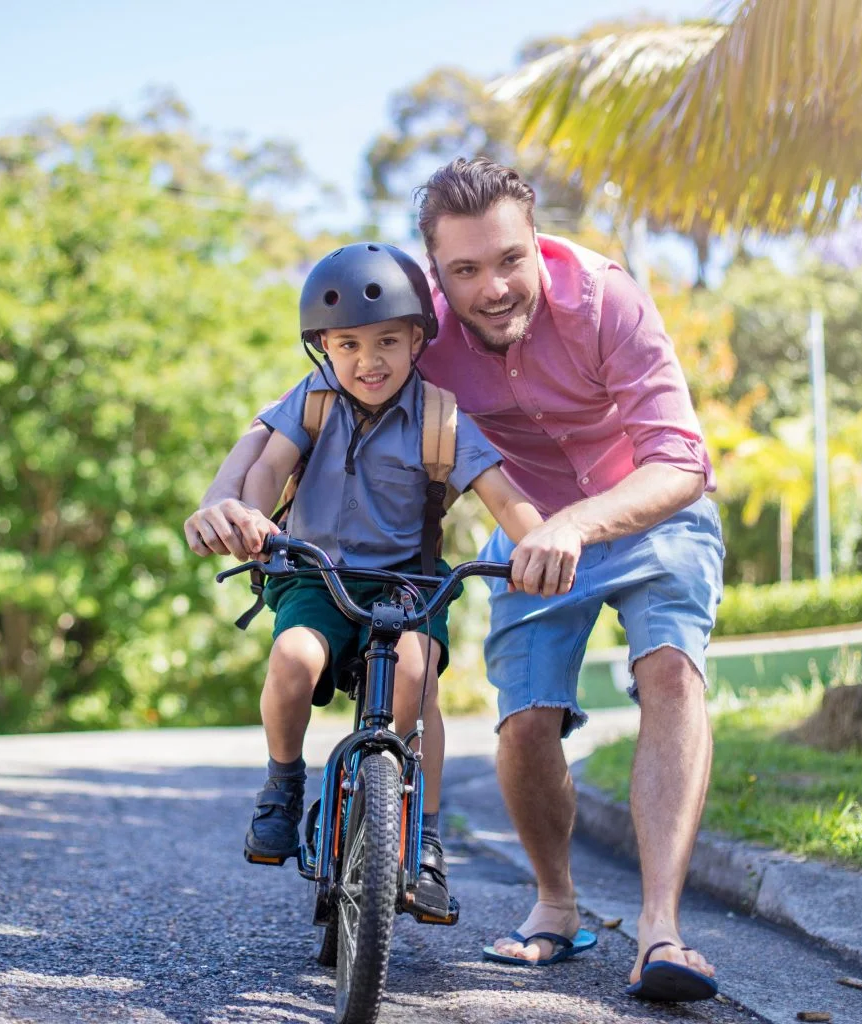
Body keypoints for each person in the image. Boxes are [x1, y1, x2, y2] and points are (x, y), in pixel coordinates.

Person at [186, 159, 723, 1002]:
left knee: (667, 671)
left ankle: (663, 931)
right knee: (525, 726)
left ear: (536, 240)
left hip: (634, 507)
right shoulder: (404, 330)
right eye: (466, 270)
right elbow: (271, 427)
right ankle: (555, 905)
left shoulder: (606, 299)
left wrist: (573, 525)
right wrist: (225, 504)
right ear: (436, 275)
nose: (494, 287)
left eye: (510, 259)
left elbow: (683, 461)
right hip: (533, 536)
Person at [217, 241, 550, 921]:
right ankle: (283, 785)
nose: (368, 361)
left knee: (413, 674)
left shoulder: (440, 418)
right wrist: (254, 519)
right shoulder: (312, 400)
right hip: (318, 577)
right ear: (324, 348)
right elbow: (267, 465)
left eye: (388, 342)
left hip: (406, 586)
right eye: (348, 345)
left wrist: (540, 542)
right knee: (292, 656)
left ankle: (421, 837)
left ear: (418, 340)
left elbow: (502, 494)